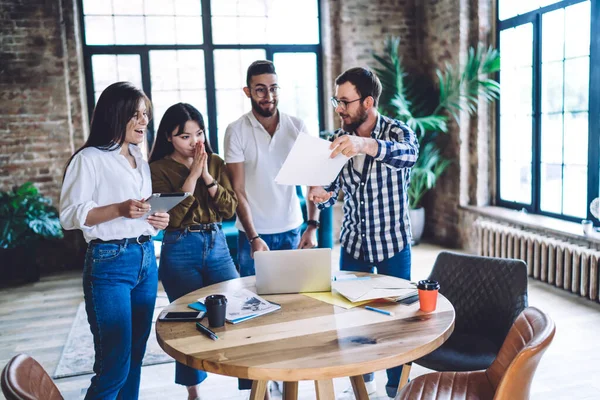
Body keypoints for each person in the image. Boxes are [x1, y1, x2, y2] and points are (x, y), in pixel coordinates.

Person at [308, 67, 419, 398]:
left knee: (395, 324)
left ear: (368, 102)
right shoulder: (336, 141)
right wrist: (322, 196)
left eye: (344, 101)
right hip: (354, 245)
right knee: (356, 318)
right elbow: (331, 189)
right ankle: (362, 382)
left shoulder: (398, 132)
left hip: (393, 247)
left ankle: (395, 389)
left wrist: (365, 145)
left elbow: (409, 156)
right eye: (336, 100)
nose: (338, 108)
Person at [60, 82, 170, 400]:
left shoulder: (139, 156)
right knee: (114, 365)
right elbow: (69, 216)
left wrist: (156, 220)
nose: (143, 121)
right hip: (109, 262)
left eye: (145, 114)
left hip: (145, 258)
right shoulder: (89, 159)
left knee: (135, 357)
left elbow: (142, 211)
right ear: (115, 115)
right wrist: (119, 209)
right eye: (135, 115)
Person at [223, 60, 320, 393]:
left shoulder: (297, 127)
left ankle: (286, 374)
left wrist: (312, 226)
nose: (268, 95)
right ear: (248, 91)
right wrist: (253, 236)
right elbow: (237, 190)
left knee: (290, 307)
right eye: (261, 88)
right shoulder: (236, 130)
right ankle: (258, 383)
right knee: (252, 310)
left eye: (273, 87)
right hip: (254, 235)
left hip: (293, 229)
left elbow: (313, 182)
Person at [149, 103, 240, 400]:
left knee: (238, 309)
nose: (194, 143)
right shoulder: (158, 169)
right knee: (188, 321)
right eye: (185, 136)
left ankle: (256, 386)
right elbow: (170, 220)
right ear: (168, 137)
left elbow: (228, 210)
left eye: (198, 134)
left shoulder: (213, 161)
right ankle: (194, 392)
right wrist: (191, 176)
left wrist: (207, 177)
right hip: (179, 247)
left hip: (217, 244)